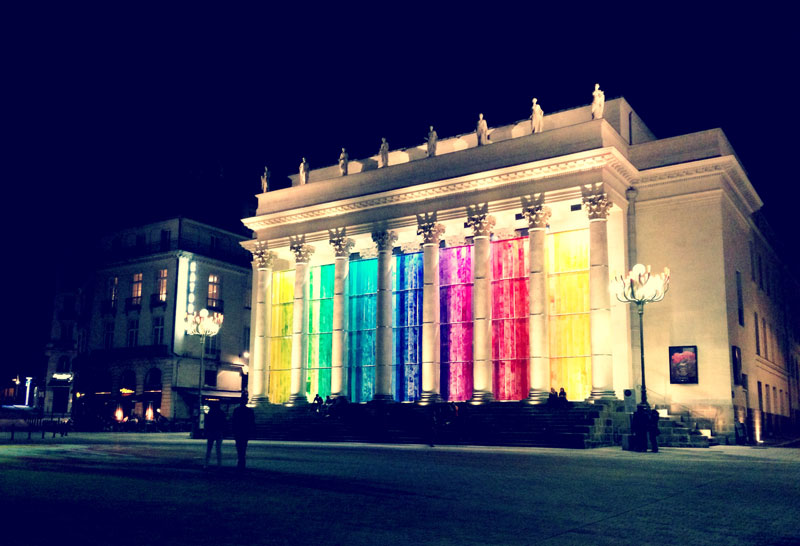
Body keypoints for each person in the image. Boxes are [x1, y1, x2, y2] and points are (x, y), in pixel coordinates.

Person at [232, 396, 255, 470]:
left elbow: (234, 421)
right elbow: (252, 422)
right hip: (245, 432)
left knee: (239, 448)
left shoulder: (237, 410)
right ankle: (242, 462)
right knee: (243, 447)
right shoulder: (249, 411)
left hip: (238, 432)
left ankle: (240, 462)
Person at [204, 403, 226, 468]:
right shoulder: (221, 413)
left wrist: (206, 432)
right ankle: (219, 464)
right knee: (218, 449)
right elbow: (224, 423)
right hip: (219, 432)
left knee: (209, 449)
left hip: (211, 432)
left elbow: (207, 423)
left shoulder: (210, 413)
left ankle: (206, 464)